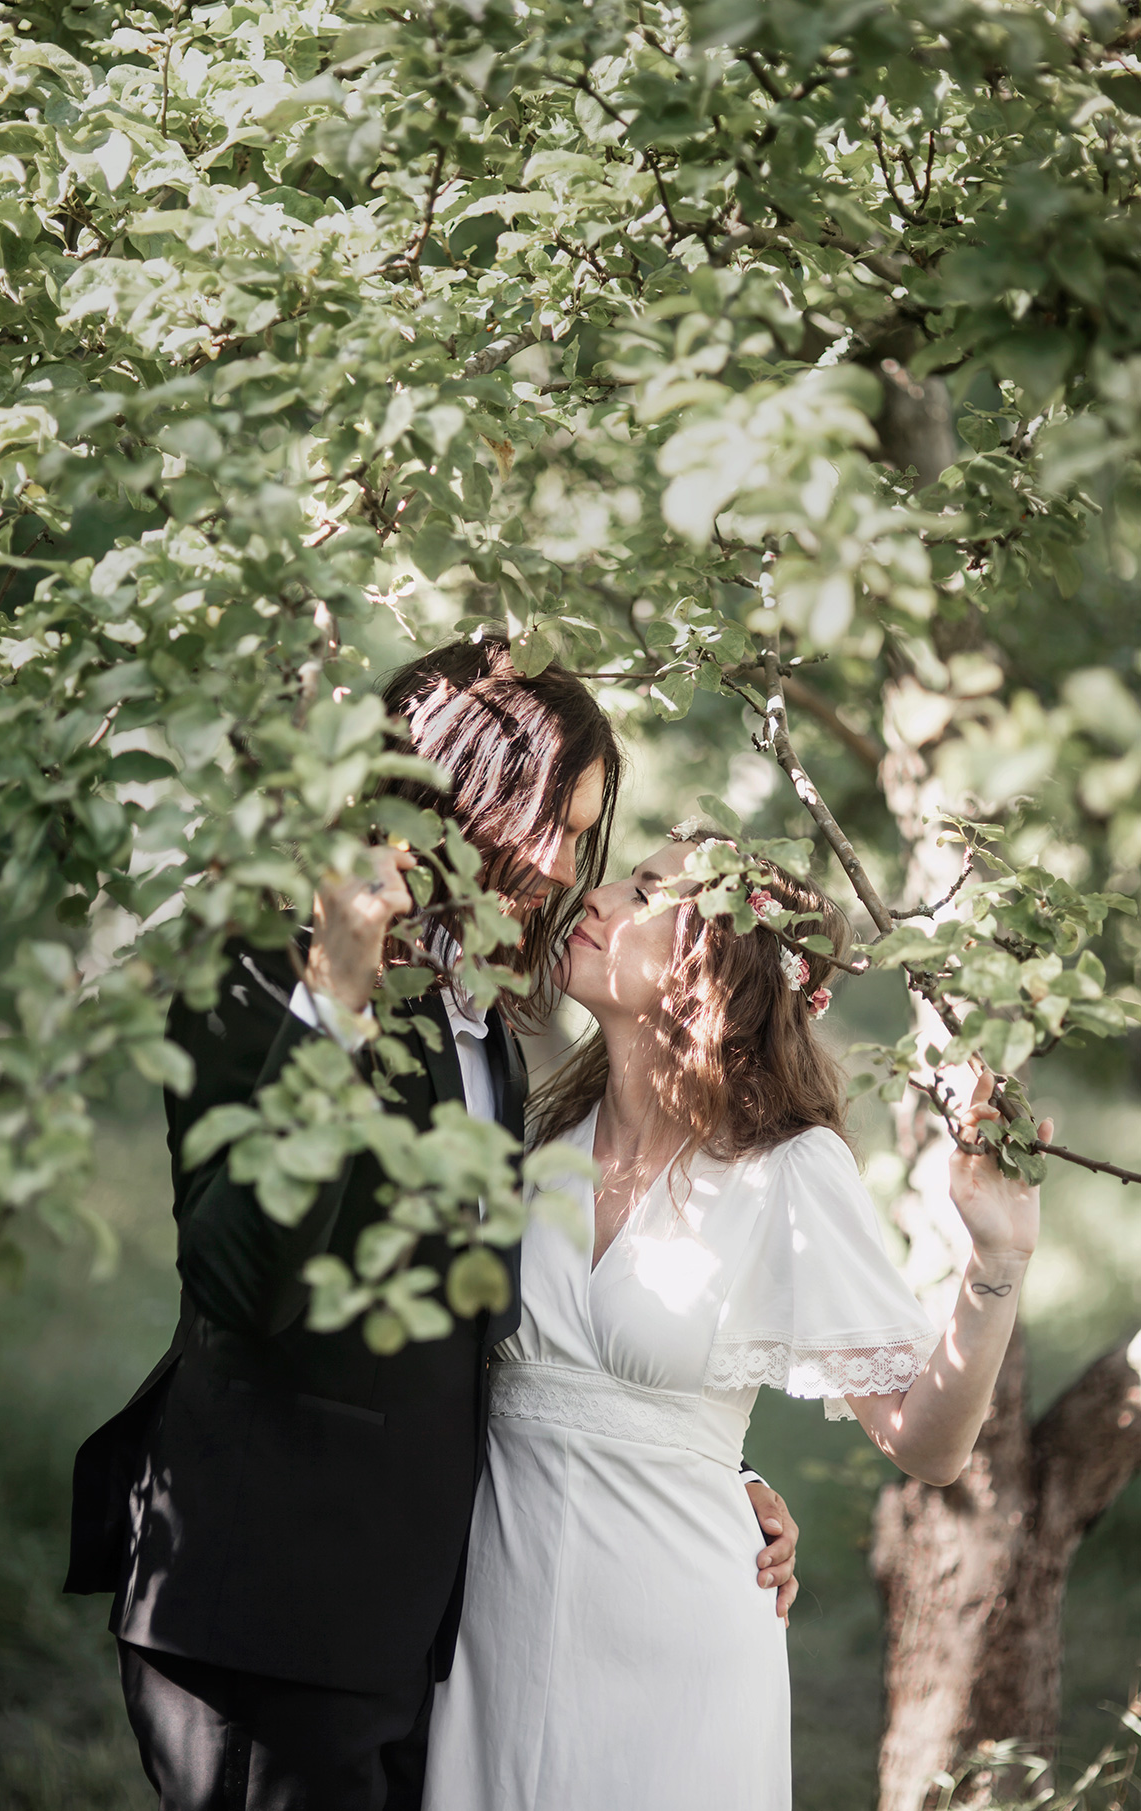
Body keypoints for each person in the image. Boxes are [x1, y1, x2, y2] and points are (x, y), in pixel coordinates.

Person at [64, 641, 800, 1811]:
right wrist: (332, 1005)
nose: (563, 864)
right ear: (452, 790)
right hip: (266, 1606)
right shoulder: (258, 971)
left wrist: (712, 1466)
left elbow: (485, 1321)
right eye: (548, 818)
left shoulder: (485, 1035)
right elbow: (238, 1274)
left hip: (415, 1635)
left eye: (583, 831)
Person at [421, 831, 1054, 1811]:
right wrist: (750, 1480)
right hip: (492, 1630)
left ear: (712, 959)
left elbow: (928, 1443)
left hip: (680, 1657)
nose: (597, 894)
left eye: (644, 889)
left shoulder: (785, 1169)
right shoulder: (533, 1129)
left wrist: (995, 1262)